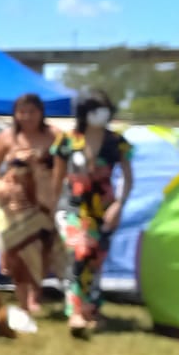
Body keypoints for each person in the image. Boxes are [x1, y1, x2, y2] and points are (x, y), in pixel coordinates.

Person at [51, 91, 133, 339]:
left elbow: (129, 179)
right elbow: (57, 181)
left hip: (105, 209)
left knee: (96, 259)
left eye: (105, 108)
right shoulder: (67, 141)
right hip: (72, 206)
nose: (102, 113)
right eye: (96, 108)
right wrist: (51, 210)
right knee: (79, 251)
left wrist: (119, 205)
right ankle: (75, 311)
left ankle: (91, 310)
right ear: (84, 112)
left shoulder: (116, 142)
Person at [0, 93, 58, 315]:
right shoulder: (7, 137)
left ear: (41, 112)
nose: (27, 116)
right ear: (15, 113)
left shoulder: (54, 136)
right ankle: (24, 300)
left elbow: (65, 164)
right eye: (22, 111)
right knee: (18, 251)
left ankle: (36, 294)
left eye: (32, 111)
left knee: (41, 249)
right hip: (14, 202)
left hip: (43, 201)